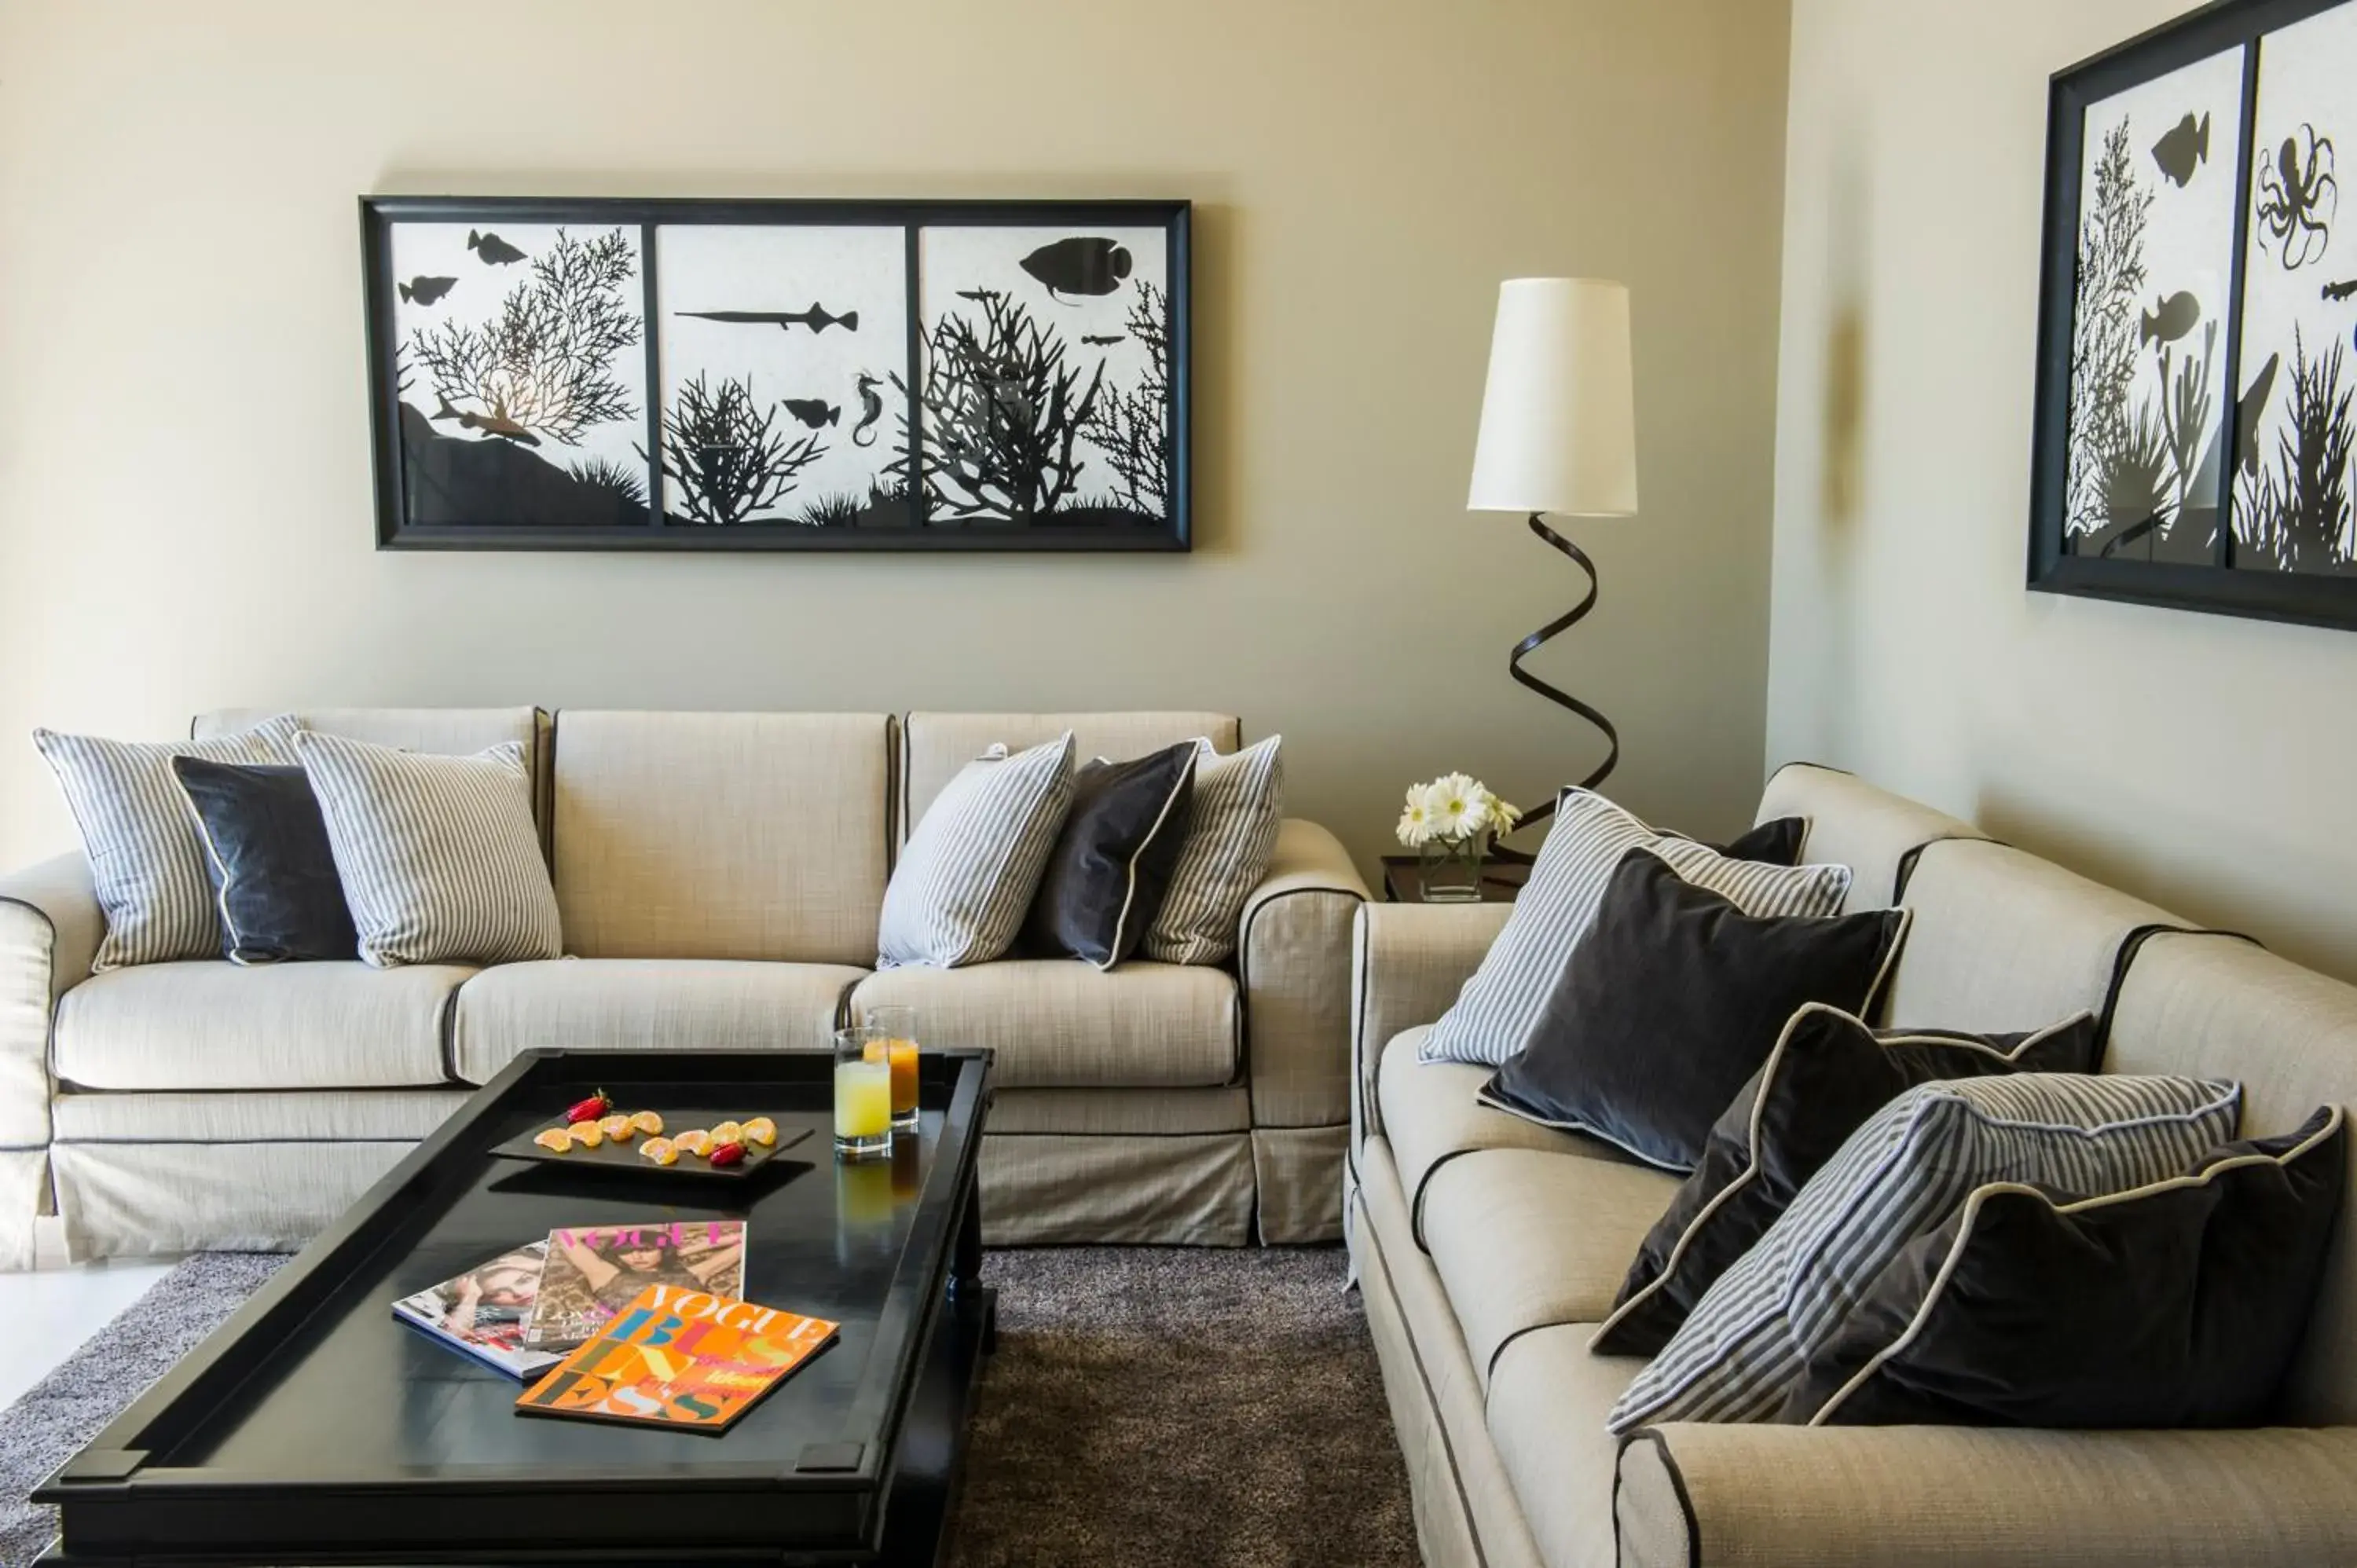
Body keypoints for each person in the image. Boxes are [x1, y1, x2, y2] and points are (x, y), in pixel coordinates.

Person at [554, 1223, 742, 1320]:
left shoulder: (692, 1274)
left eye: (646, 1250)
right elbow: (566, 1235)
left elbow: (742, 1241)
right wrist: (637, 1229)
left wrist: (684, 1251)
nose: (636, 1256)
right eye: (626, 1251)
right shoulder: (606, 1274)